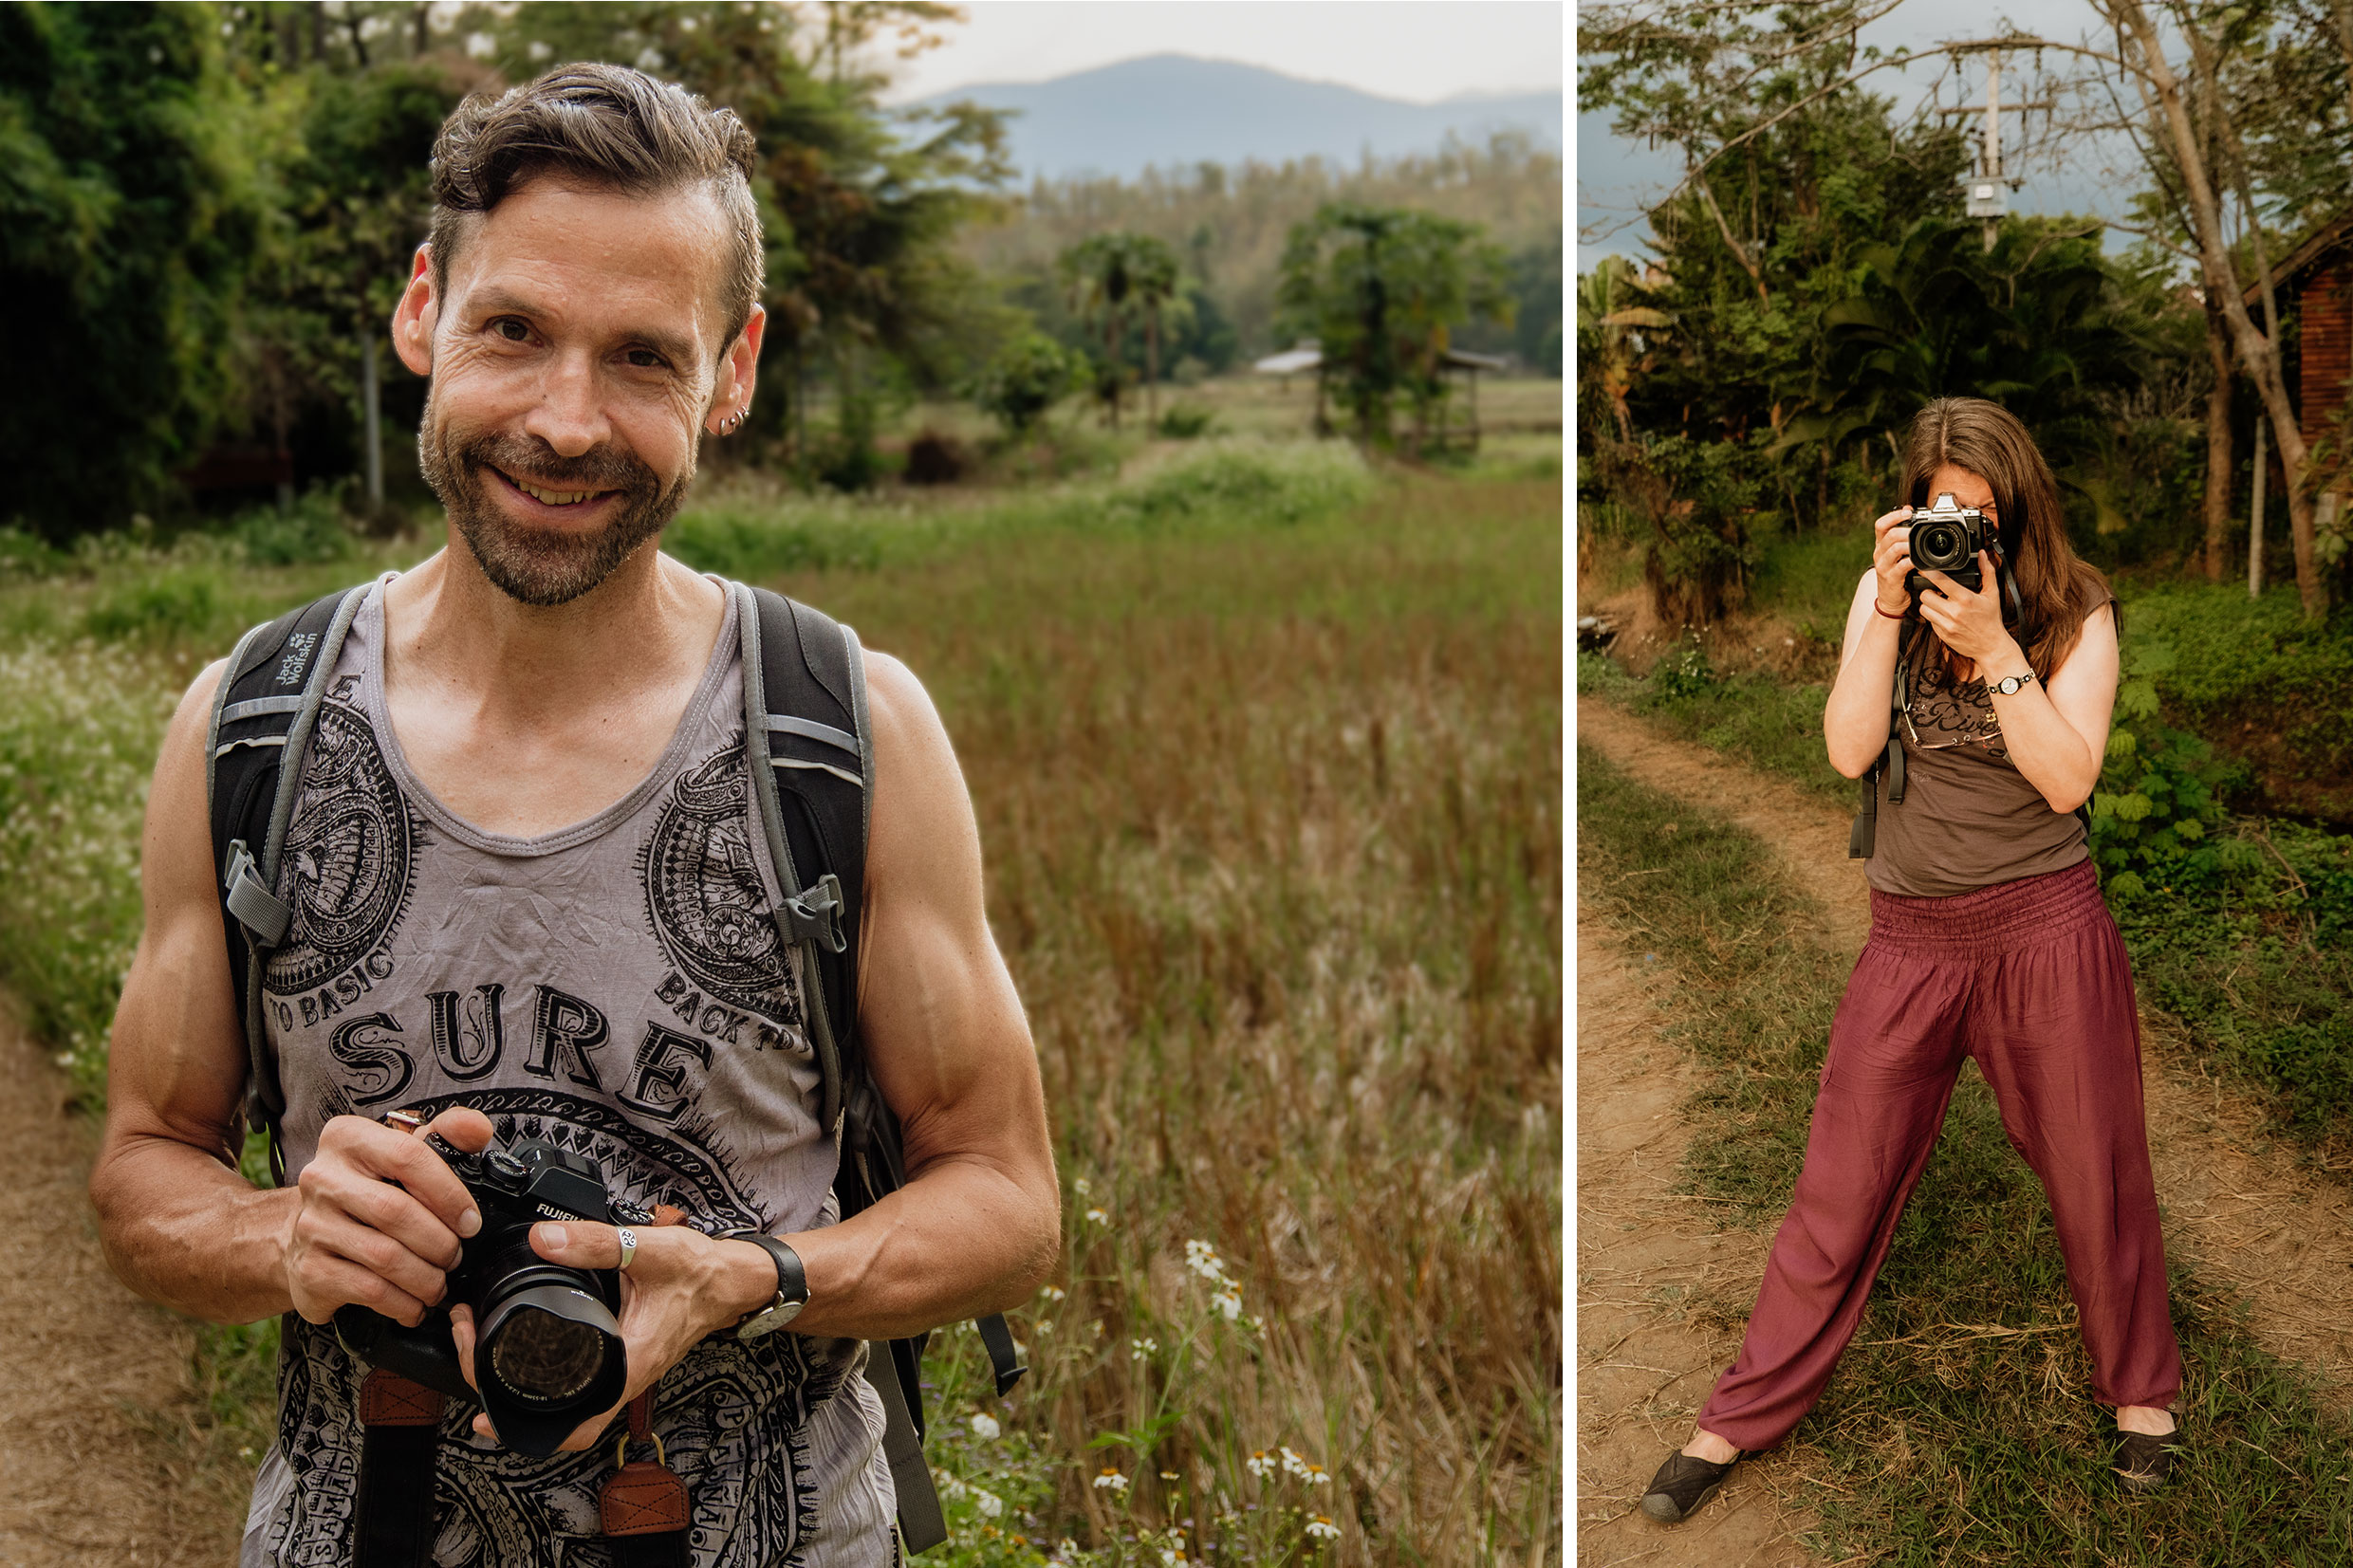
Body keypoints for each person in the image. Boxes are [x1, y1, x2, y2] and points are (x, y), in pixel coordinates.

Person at [87, 65, 1059, 1567]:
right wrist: (288, 1236)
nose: (564, 422)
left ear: (732, 372)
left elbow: (1008, 1198)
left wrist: (754, 1277)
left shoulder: (849, 730)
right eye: (516, 331)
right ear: (426, 310)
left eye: (642, 361)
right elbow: (145, 1169)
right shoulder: (248, 728)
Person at [1637, 397, 2183, 1525]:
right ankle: (1733, 1417)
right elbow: (1846, 749)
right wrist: (1887, 607)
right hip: (1911, 939)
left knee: (2096, 1175)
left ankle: (2140, 1396)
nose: (1957, 530)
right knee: (1837, 1183)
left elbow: (2068, 780)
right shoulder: (1882, 595)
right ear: (1908, 504)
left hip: (2043, 929)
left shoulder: (2074, 611)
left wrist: (1990, 649)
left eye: (1978, 512)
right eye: (1938, 507)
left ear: (2015, 506)